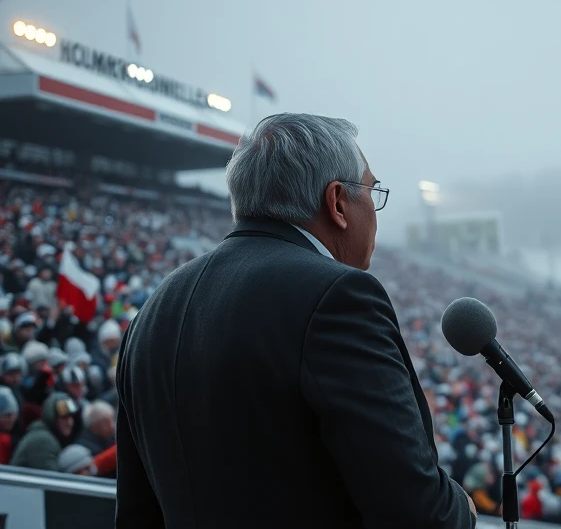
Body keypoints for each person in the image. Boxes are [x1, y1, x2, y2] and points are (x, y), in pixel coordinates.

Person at [116, 114, 475, 528]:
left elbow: (136, 512)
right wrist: (459, 511)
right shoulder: (339, 296)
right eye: (372, 191)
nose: (375, 211)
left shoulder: (155, 308)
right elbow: (416, 514)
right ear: (337, 202)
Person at [10, 392, 77, 470]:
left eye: (71, 417)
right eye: (64, 418)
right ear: (52, 417)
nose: (69, 423)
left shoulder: (44, 435)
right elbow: (52, 479)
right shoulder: (43, 441)